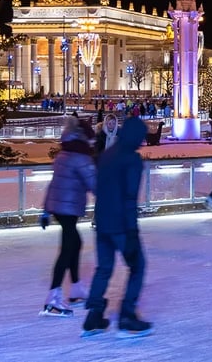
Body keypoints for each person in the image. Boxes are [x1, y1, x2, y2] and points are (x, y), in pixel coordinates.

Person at [82, 116, 153, 338]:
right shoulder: (132, 160)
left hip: (102, 222)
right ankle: (126, 315)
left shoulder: (106, 156)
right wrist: (132, 231)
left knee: (104, 268)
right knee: (138, 266)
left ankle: (94, 315)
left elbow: (99, 189)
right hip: (121, 225)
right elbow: (129, 198)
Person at [40, 115, 97, 317]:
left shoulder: (64, 154)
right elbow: (95, 184)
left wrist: (46, 210)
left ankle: (75, 288)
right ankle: (53, 299)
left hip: (60, 208)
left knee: (75, 244)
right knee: (67, 249)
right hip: (67, 208)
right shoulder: (80, 157)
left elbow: (53, 184)